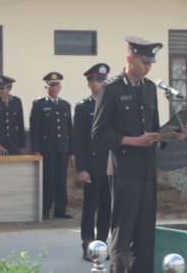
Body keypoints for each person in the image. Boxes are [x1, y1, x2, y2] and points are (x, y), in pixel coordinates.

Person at [92, 37, 186, 273]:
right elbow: (99, 133)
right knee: (123, 231)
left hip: (147, 170)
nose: (148, 67)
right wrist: (132, 141)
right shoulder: (111, 89)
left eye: (150, 62)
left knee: (145, 232)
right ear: (130, 59)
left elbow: (152, 132)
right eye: (144, 62)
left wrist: (168, 135)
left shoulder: (149, 88)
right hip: (124, 170)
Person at [74, 63, 112, 260]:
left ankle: (102, 245)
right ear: (90, 83)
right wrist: (81, 168)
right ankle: (88, 246)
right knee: (90, 208)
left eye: (104, 80)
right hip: (92, 166)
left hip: (110, 165)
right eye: (98, 80)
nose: (102, 83)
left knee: (107, 208)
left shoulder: (112, 104)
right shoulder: (83, 107)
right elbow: (78, 141)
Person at [30, 72, 74, 219]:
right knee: (47, 180)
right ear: (46, 87)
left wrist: (71, 152)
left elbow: (69, 129)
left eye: (57, 85)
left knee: (61, 180)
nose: (54, 88)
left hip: (62, 148)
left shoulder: (65, 105)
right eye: (51, 85)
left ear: (60, 86)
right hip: (46, 149)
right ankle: (45, 209)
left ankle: (60, 209)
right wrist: (35, 149)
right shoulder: (39, 104)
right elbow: (35, 129)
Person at [0, 75, 26, 155]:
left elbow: (20, 125)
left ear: (9, 89)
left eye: (2, 88)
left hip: (13, 145)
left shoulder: (16, 101)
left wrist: (22, 146)